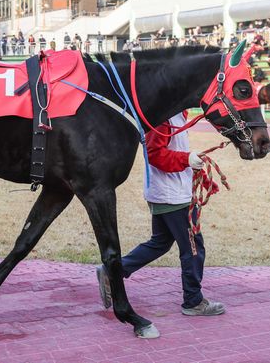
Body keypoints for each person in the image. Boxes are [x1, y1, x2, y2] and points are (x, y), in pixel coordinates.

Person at [96, 112, 225, 327]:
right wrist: (186, 159)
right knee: (193, 248)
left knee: (160, 243)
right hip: (172, 197)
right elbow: (155, 155)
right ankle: (193, 301)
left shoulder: (176, 114)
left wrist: (198, 175)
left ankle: (114, 271)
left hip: (168, 193)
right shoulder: (164, 118)